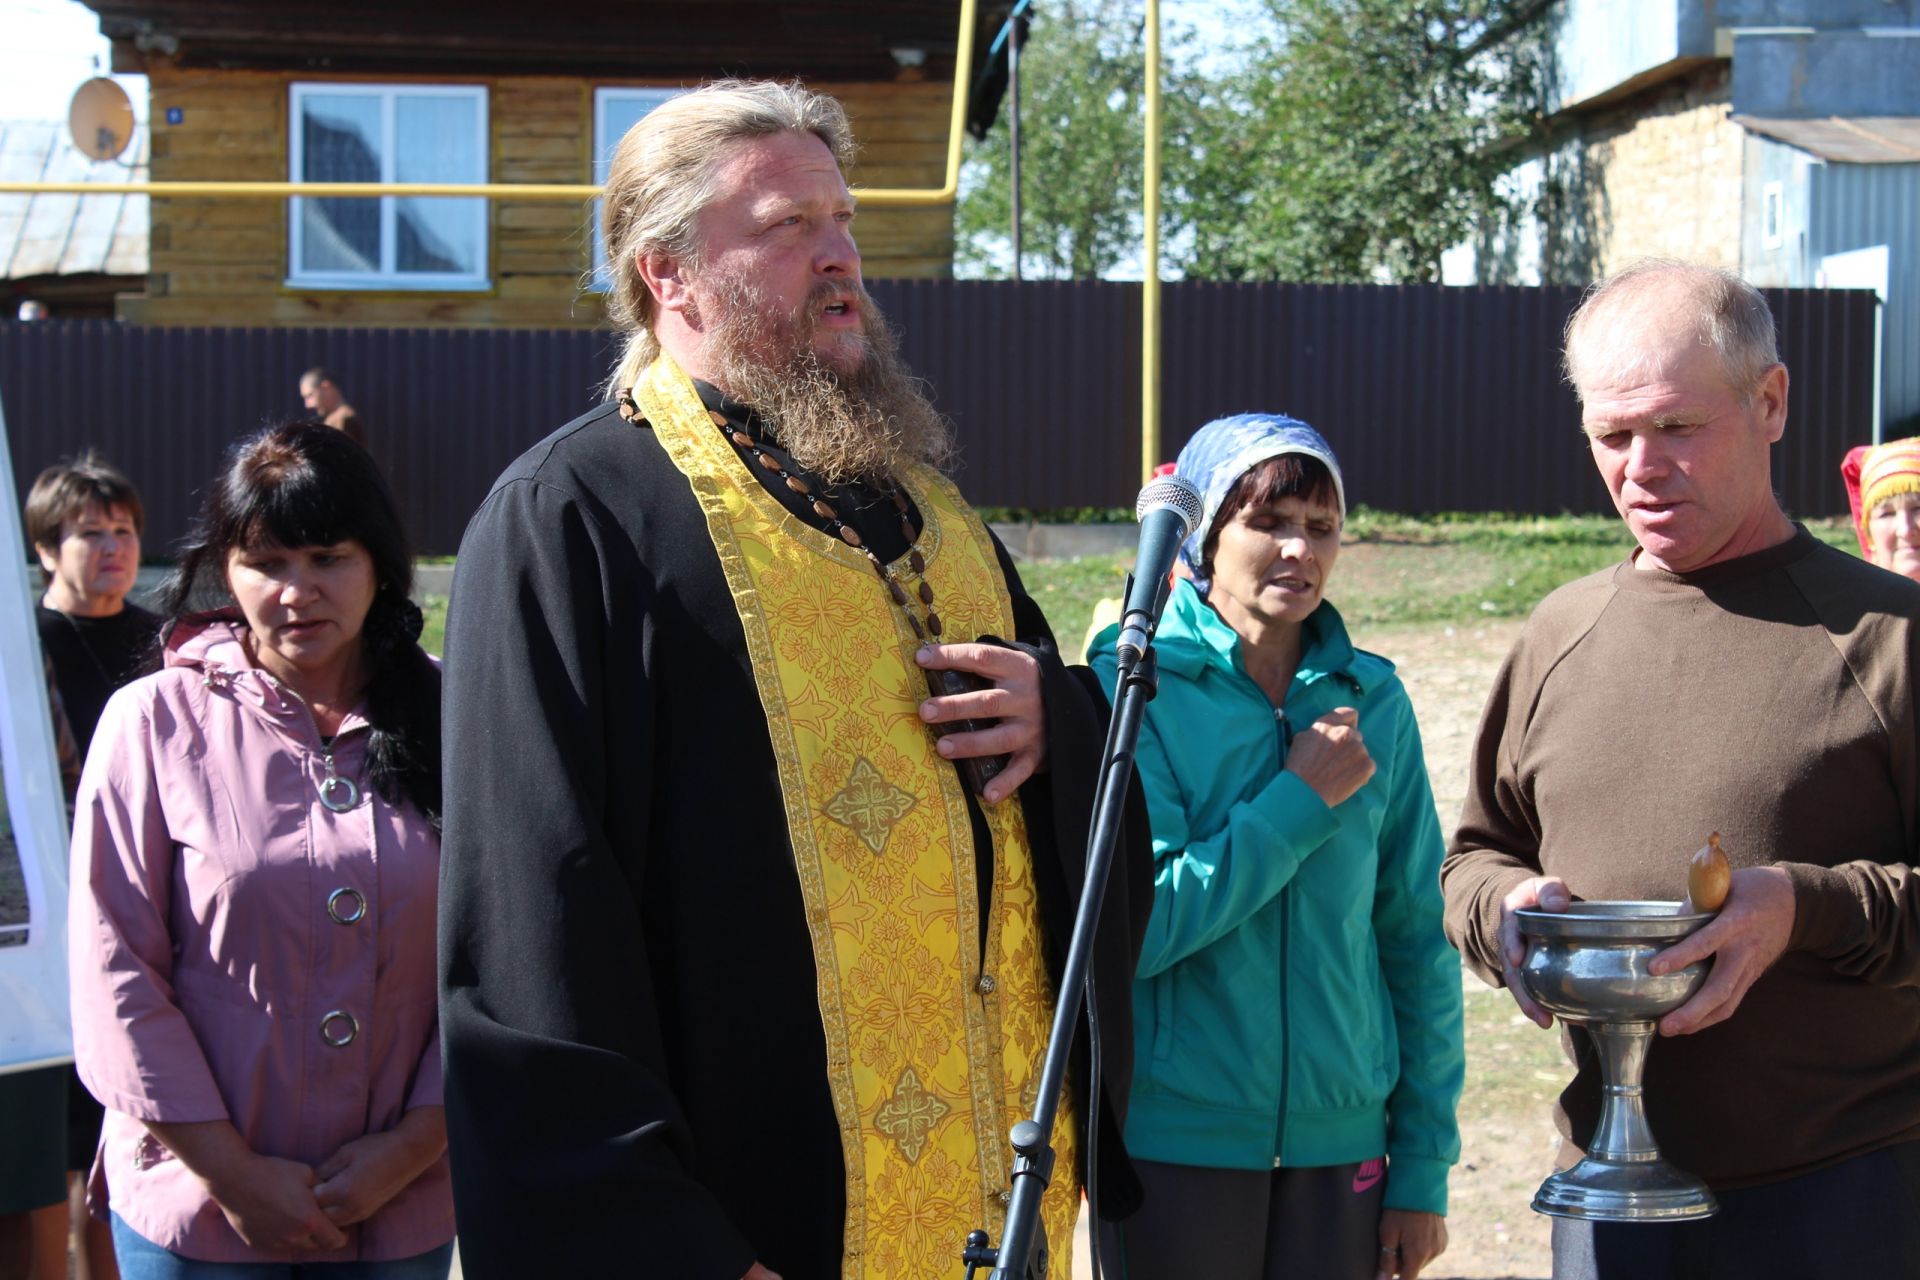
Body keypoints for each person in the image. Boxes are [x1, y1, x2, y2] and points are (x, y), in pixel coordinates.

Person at [438, 79, 1150, 1279]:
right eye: (785, 227)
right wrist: (677, 1250)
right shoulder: (569, 518)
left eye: (844, 220)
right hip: (754, 1227)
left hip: (999, 1205)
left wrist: (1056, 712)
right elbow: (534, 924)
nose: (841, 259)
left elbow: (1070, 773)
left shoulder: (928, 505)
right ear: (667, 274)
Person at [1441, 260, 1920, 1280]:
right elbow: (1476, 854)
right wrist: (1506, 912)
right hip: (1607, 1198)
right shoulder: (1559, 632)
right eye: (1613, 436)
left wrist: (1805, 906)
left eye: (1677, 428)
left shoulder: (1890, 638)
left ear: (1772, 401)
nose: (1642, 468)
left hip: (1850, 1192)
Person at [68, 423, 453, 1276]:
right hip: (197, 1204)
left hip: (405, 1199)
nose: (296, 591)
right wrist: (233, 1176)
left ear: (380, 565)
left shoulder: (457, 713)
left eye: (328, 558)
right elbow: (114, 969)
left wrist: (417, 1141)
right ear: (224, 571)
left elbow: (502, 954)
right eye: (266, 562)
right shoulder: (152, 722)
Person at [1087, 418, 1463, 1280]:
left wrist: (1423, 1167)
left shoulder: (1376, 699)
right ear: (1208, 535)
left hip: (1346, 1147)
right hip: (1174, 1143)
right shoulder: (1128, 684)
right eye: (1271, 521)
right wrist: (1298, 800)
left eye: (1322, 527)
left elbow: (1415, 942)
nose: (1300, 548)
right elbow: (1143, 929)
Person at [25, 451, 163, 1280]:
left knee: (127, 1127)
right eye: (88, 533)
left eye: (123, 531)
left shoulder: (160, 641)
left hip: (144, 909)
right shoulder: (22, 648)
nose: (112, 548)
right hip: (51, 922)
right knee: (58, 1149)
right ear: (47, 547)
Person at [1841, 436, 1920, 583]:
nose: (1905, 530)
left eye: (1917, 508)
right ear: (1869, 534)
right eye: (1886, 514)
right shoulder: (1846, 603)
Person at [299, 368, 366, 449]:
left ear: (326, 387)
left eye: (310, 396)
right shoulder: (336, 419)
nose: (307, 405)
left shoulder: (343, 420)